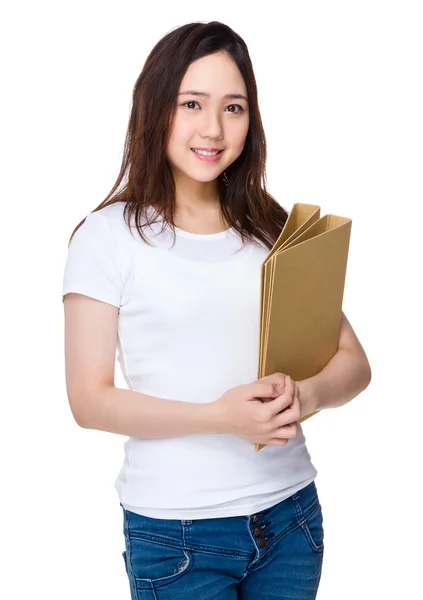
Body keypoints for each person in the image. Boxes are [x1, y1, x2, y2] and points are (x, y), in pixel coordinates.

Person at [62, 20, 371, 600]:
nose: (213, 128)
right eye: (192, 104)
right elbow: (88, 400)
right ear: (155, 110)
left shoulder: (272, 227)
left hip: (290, 521)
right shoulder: (106, 238)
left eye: (234, 107)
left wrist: (308, 396)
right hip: (177, 533)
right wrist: (221, 416)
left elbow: (354, 361)